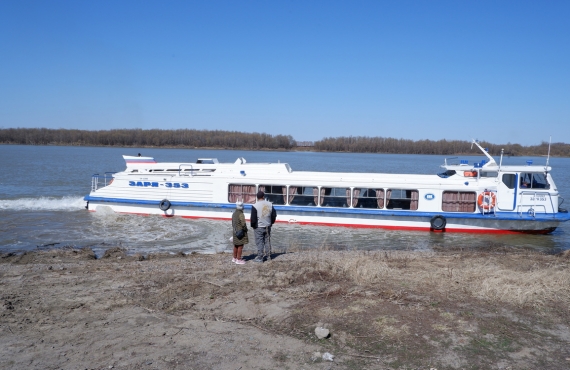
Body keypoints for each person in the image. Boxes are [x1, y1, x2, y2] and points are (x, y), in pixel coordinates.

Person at [250, 191, 277, 262]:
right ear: (263, 196)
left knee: (259, 242)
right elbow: (274, 215)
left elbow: (253, 218)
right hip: (268, 225)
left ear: (257, 197)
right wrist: (271, 222)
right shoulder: (270, 204)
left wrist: (253, 226)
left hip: (259, 226)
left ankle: (260, 257)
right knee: (267, 241)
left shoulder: (255, 205)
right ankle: (268, 256)